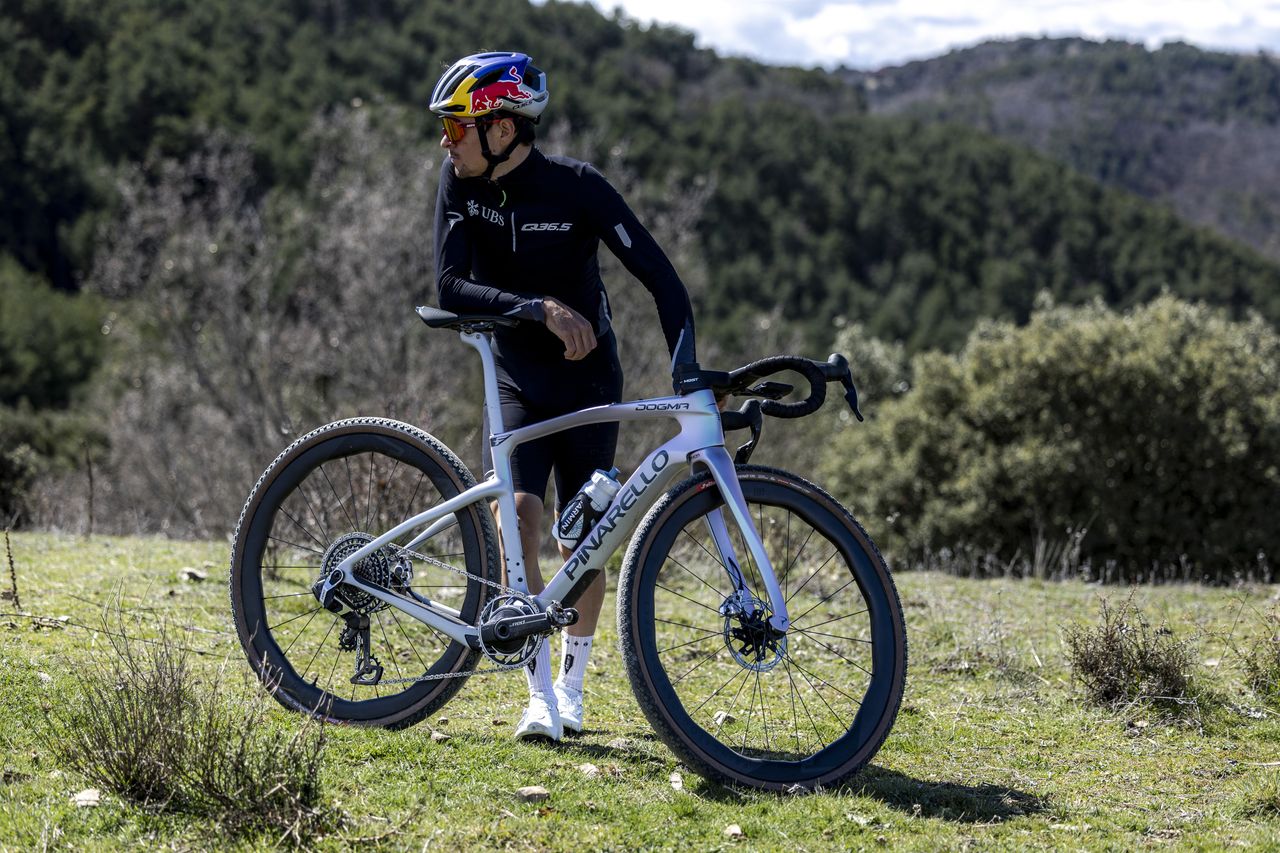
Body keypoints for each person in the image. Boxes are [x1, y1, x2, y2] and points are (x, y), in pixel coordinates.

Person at [430, 52, 697, 741]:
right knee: (517, 519)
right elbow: (449, 286)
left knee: (582, 538)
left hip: (588, 379)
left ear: (503, 129)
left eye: (456, 125)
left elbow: (661, 278)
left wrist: (688, 370)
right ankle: (538, 695)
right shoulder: (459, 183)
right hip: (519, 375)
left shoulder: (578, 188)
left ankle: (572, 690)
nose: (445, 140)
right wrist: (537, 308)